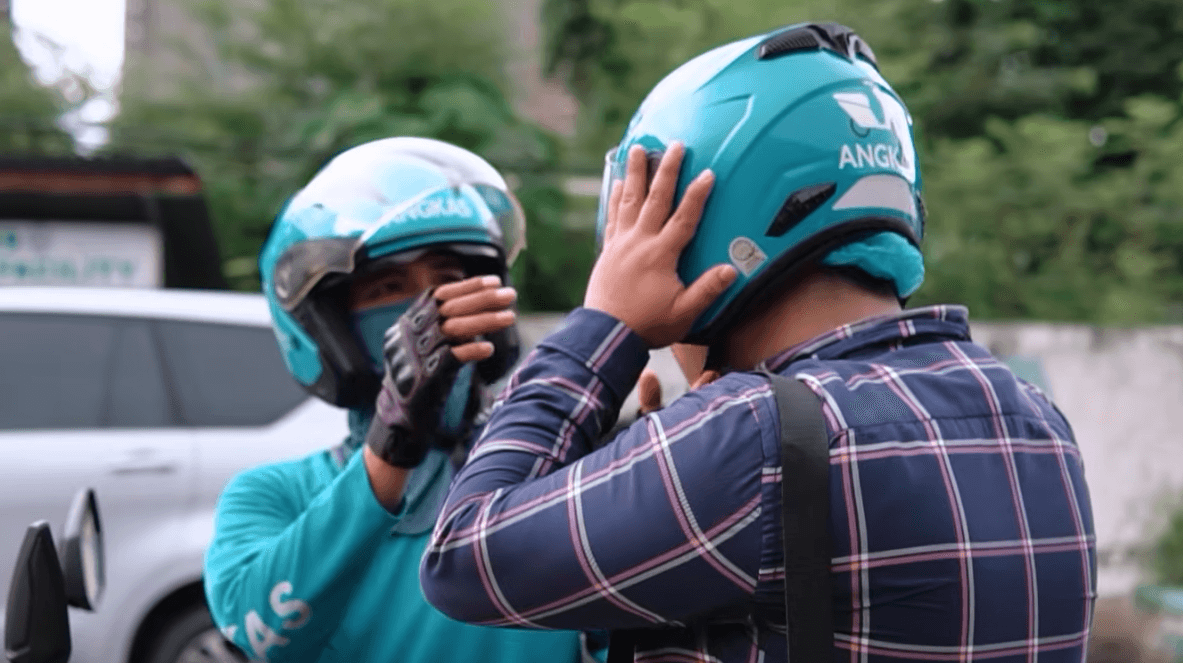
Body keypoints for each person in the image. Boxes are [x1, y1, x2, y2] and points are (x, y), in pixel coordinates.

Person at [419, 23, 1096, 663]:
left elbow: (461, 559)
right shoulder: (1034, 419)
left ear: (698, 236)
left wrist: (605, 324)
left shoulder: (755, 436)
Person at [202, 137, 592, 662]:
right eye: (389, 287)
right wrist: (392, 444)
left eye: (453, 280)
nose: (430, 307)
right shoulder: (275, 494)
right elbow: (265, 634)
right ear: (330, 328)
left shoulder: (555, 475)